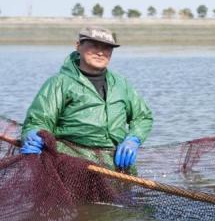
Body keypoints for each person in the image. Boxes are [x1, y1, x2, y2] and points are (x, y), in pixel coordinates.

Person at [20, 26, 153, 170]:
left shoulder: (121, 84)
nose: (101, 52)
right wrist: (33, 134)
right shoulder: (59, 83)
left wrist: (134, 139)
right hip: (72, 164)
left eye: (107, 48)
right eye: (94, 46)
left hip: (117, 166)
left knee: (126, 193)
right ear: (78, 46)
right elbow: (39, 120)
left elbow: (143, 116)